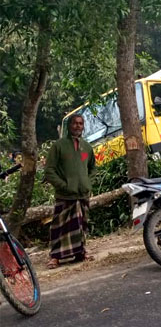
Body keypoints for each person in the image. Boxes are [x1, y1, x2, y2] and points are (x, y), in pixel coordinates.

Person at [44, 114, 96, 269]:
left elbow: (93, 168)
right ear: (69, 125)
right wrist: (63, 185)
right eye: (75, 123)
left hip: (82, 195)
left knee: (80, 225)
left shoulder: (86, 147)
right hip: (65, 195)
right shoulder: (58, 146)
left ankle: (80, 252)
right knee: (59, 227)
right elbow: (49, 170)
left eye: (81, 123)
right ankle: (55, 257)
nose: (78, 126)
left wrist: (88, 183)